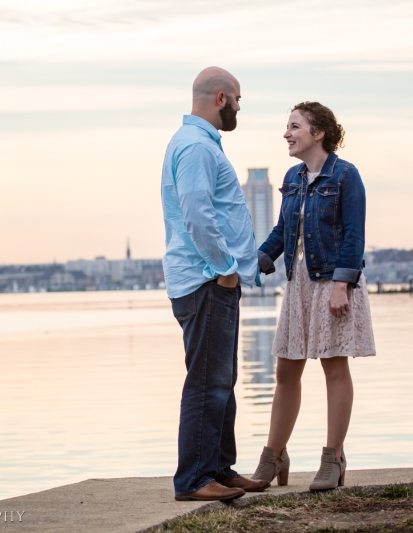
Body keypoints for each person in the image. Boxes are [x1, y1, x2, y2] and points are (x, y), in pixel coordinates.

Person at [252, 102, 376, 491]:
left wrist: (342, 285)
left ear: (318, 132)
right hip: (299, 284)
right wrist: (255, 260)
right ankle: (274, 456)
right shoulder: (292, 177)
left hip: (333, 282)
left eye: (294, 126)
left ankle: (333, 457)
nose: (286, 134)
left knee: (334, 368)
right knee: (285, 371)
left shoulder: (345, 175)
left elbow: (354, 235)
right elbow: (282, 230)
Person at [160, 67, 270, 501]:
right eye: (239, 99)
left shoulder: (199, 145)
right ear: (221, 98)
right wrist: (224, 267)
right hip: (207, 280)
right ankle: (193, 480)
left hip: (213, 280)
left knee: (221, 379)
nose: (241, 107)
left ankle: (220, 469)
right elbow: (196, 212)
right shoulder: (195, 147)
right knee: (207, 381)